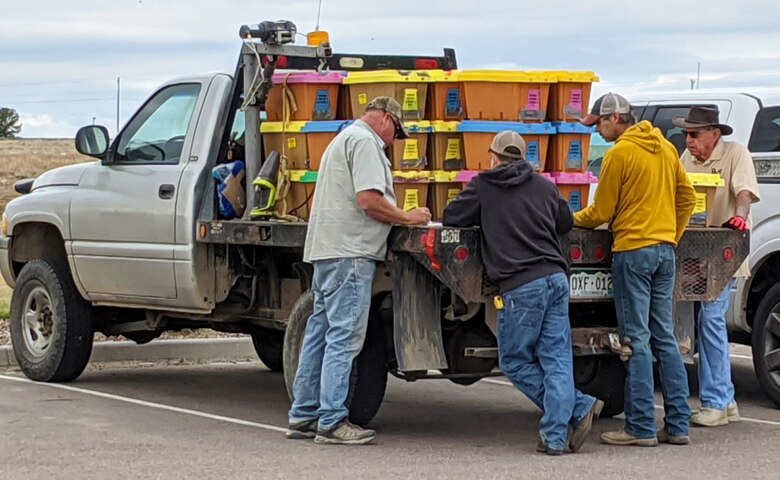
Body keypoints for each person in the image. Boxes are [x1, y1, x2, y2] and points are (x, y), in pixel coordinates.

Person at [442, 130, 603, 456]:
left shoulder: (484, 186)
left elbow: (451, 217)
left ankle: (577, 408)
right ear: (525, 157)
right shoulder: (544, 185)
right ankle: (557, 434)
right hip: (556, 280)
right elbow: (565, 222)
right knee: (557, 359)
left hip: (521, 285)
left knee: (514, 361)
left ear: (494, 156)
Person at [287, 96, 431, 445]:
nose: (393, 141)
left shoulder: (343, 139)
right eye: (396, 131)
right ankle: (333, 421)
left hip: (328, 250)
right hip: (351, 252)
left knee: (319, 333)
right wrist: (407, 217)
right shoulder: (366, 143)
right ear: (384, 117)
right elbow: (368, 200)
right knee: (344, 335)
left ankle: (304, 413)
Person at [575, 93, 697, 446]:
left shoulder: (620, 154)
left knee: (636, 340)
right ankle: (677, 425)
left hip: (633, 251)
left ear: (616, 118)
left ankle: (640, 426)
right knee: (665, 339)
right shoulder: (665, 148)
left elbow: (600, 213)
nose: (597, 130)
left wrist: (566, 219)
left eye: (599, 123)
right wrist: (670, 235)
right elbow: (686, 198)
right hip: (664, 253)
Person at [676, 106, 760, 427]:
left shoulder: (736, 153)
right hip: (695, 252)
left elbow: (744, 193)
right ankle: (727, 399)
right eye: (686, 134)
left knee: (711, 320)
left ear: (714, 133)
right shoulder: (686, 159)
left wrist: (739, 216)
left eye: (694, 134)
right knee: (704, 322)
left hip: (723, 251)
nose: (689, 140)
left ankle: (716, 401)